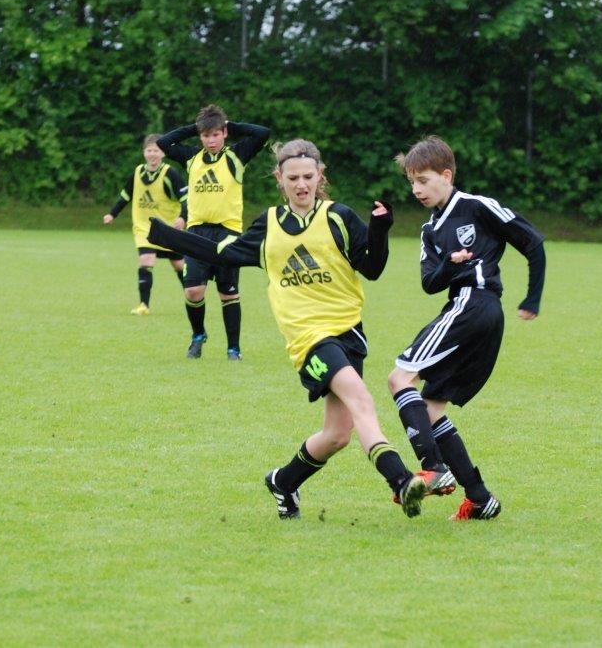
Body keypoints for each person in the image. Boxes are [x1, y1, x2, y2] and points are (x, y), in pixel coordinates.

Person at [146, 139, 432, 519]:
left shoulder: (339, 217)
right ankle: (401, 481)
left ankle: (283, 482)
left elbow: (372, 268)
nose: (301, 184)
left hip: (349, 333)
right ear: (279, 178)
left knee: (337, 435)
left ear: (320, 176)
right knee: (361, 398)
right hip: (307, 339)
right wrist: (164, 235)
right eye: (293, 177)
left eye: (308, 176)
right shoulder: (268, 225)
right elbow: (222, 253)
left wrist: (380, 230)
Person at [387, 136, 547, 521]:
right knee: (430, 408)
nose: (416, 190)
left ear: (446, 175)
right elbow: (430, 283)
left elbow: (533, 242)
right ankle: (479, 498)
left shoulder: (476, 206)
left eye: (423, 180)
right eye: (411, 182)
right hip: (473, 311)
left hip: (474, 305)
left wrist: (532, 298)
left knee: (399, 378)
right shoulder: (430, 230)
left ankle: (433, 468)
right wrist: (450, 263)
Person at [156, 105, 270, 360]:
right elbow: (163, 143)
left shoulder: (236, 156)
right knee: (193, 291)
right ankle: (198, 335)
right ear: (200, 136)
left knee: (228, 293)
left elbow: (262, 133)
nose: (211, 140)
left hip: (228, 233)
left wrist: (229, 124)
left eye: (216, 134)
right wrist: (195, 127)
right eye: (206, 135)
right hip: (196, 232)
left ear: (224, 133)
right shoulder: (191, 157)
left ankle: (233, 349)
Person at [103, 134, 188, 315]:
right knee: (146, 261)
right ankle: (144, 305)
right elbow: (125, 195)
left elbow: (186, 198)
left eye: (156, 150)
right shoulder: (137, 172)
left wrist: (182, 218)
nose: (152, 154)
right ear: (144, 152)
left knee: (179, 265)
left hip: (168, 229)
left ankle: (192, 296)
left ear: (163, 153)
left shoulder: (170, 174)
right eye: (149, 150)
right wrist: (112, 214)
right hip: (144, 228)